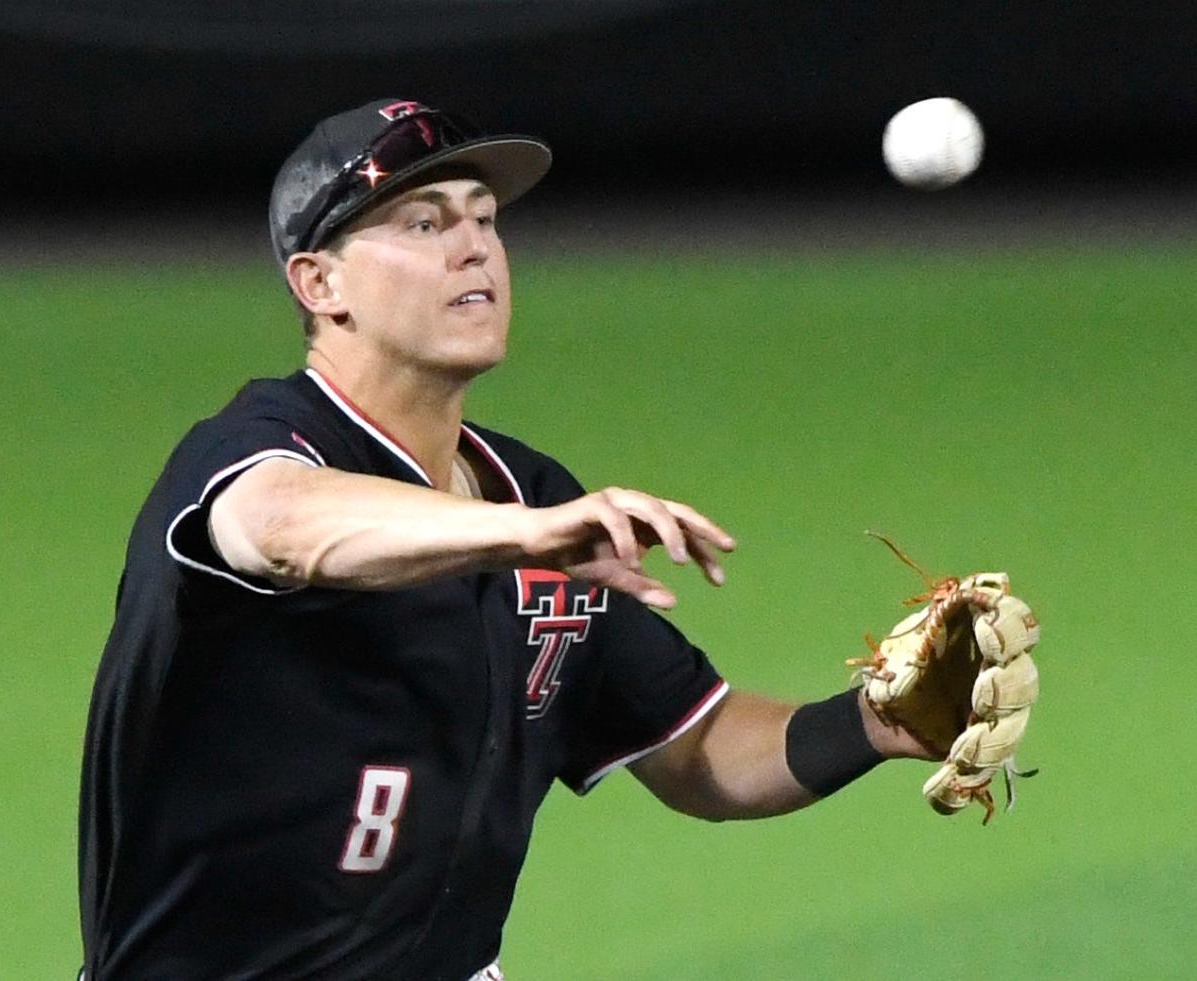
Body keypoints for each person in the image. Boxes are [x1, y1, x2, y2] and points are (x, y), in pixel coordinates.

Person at [78, 97, 934, 981]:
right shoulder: (259, 449)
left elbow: (696, 750)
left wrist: (875, 721)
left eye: (484, 219)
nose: (474, 246)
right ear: (318, 283)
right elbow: (282, 526)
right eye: (423, 221)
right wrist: (521, 534)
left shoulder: (529, 492)